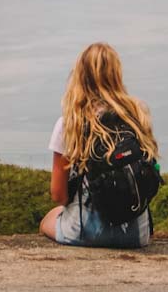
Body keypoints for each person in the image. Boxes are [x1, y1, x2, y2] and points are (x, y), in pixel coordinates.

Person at [38, 42, 158, 248]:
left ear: (80, 76)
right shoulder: (137, 116)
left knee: (48, 218)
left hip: (86, 233)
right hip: (137, 235)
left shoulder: (70, 123)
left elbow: (58, 194)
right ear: (116, 74)